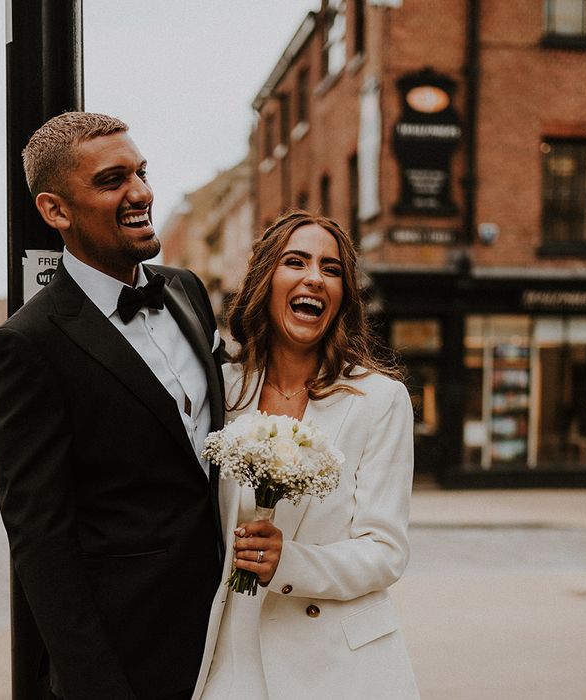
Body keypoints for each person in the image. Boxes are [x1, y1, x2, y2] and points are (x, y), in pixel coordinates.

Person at [0, 111, 281, 700]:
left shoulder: (186, 290)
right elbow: (42, 543)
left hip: (235, 628)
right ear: (55, 211)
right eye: (111, 180)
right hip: (131, 655)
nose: (140, 192)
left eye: (141, 172)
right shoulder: (27, 346)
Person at [194, 210, 420, 699]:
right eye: (295, 262)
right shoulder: (222, 391)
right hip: (234, 653)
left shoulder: (379, 400)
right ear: (264, 280)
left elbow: (385, 552)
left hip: (341, 667)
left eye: (332, 269)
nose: (315, 278)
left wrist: (287, 564)